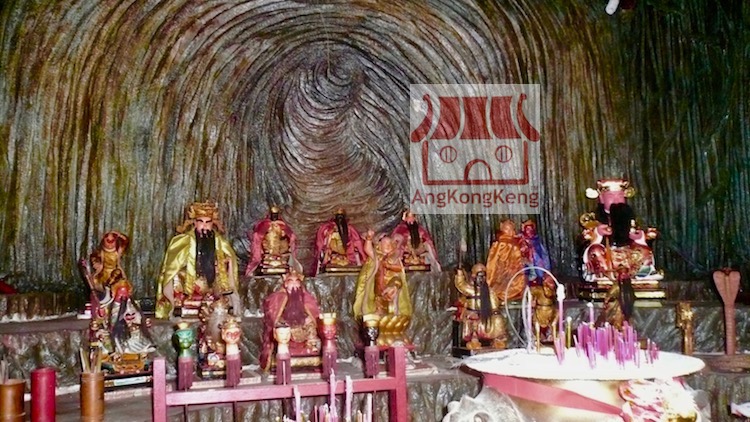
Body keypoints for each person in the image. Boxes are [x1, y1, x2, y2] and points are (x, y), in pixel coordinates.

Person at [155, 202, 241, 319]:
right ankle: (178, 306)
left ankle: (221, 304)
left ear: (213, 223)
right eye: (201, 222)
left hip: (213, 283)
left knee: (223, 275)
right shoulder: (181, 241)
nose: (204, 226)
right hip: (189, 284)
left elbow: (230, 264)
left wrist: (223, 264)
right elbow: (171, 267)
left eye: (208, 222)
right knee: (175, 276)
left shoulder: (221, 243)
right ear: (194, 223)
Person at [353, 231, 412, 345]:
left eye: (390, 244)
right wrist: (369, 239)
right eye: (385, 244)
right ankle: (378, 317)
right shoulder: (377, 258)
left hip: (391, 284)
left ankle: (394, 313)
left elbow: (399, 269)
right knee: (377, 305)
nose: (388, 246)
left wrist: (389, 266)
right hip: (378, 288)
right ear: (379, 246)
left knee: (395, 287)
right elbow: (368, 250)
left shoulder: (394, 257)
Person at [259, 270, 322, 372]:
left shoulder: (305, 297)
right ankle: (284, 351)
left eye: (297, 282)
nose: (294, 284)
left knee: (311, 326)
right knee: (282, 331)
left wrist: (309, 319)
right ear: (285, 284)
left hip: (303, 327)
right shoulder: (278, 297)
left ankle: (311, 348)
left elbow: (313, 312)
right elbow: (274, 315)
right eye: (291, 281)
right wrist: (284, 322)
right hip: (287, 328)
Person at [453, 263, 507, 350]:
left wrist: (495, 310)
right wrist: (459, 274)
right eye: (479, 275)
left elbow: (494, 302)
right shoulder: (470, 290)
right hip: (473, 315)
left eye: (483, 276)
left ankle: (498, 339)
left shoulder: (489, 290)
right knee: (474, 321)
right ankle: (474, 341)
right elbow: (461, 285)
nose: (481, 278)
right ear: (474, 276)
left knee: (497, 319)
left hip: (487, 316)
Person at [245, 205, 298, 276]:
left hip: (280, 248)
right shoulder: (264, 224)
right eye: (273, 215)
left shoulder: (282, 224)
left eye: (276, 215)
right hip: (268, 247)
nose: (274, 217)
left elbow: (290, 236)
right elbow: (257, 235)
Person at [314, 208, 365, 275]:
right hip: (332, 254)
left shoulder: (349, 229)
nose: (340, 219)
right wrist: (330, 234)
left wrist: (362, 255)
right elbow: (321, 241)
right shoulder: (328, 228)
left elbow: (357, 241)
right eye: (338, 216)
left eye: (341, 216)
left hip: (346, 254)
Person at [486, 219, 526, 302]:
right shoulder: (502, 244)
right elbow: (493, 263)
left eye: (512, 229)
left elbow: (492, 263)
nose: (511, 232)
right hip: (503, 275)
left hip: (510, 275)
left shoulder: (500, 244)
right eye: (508, 229)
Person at [520, 220, 551, 285]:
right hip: (525, 266)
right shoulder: (520, 240)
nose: (529, 231)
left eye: (531, 229)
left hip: (536, 265)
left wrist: (547, 270)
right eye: (527, 229)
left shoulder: (536, 241)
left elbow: (544, 255)